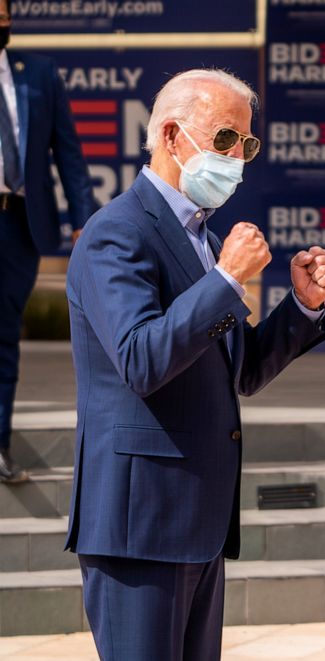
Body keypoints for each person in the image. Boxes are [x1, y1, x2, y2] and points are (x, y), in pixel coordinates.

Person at [64, 69, 325, 660]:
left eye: (246, 144)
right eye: (224, 140)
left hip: (198, 517)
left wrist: (302, 308)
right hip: (140, 522)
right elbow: (141, 359)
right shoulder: (117, 232)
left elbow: (238, 370)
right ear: (170, 135)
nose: (238, 158)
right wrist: (224, 280)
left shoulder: (203, 239)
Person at [0, 1, 96, 483]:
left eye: (5, 12)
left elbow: (69, 152)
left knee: (2, 335)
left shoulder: (37, 73)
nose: (2, 20)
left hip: (17, 224)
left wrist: (85, 221)